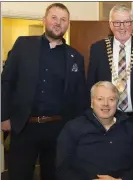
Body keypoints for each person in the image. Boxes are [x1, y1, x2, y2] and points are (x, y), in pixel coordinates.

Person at [1, 3, 87, 180]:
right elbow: (6, 82)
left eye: (63, 19)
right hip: (24, 126)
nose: (58, 23)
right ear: (44, 20)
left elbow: (80, 98)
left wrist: (77, 131)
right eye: (54, 17)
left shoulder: (75, 57)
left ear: (68, 24)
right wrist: (4, 116)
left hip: (59, 130)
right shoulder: (23, 45)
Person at [87, 4, 133, 139]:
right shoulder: (98, 48)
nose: (122, 27)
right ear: (110, 24)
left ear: (132, 24)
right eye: (117, 22)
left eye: (126, 22)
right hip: (106, 120)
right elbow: (91, 84)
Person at [56, 81, 133, 180]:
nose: (105, 104)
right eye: (100, 99)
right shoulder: (73, 128)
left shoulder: (130, 129)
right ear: (92, 103)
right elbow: (62, 170)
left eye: (111, 99)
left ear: (117, 103)